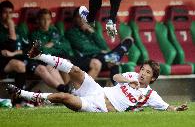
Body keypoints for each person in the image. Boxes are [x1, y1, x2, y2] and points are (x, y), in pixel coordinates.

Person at [7, 46, 188, 112]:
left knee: (64, 98)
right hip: (98, 91)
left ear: (153, 79)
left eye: (147, 73)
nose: (142, 73)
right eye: (143, 69)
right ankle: (39, 55)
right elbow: (116, 76)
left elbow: (167, 107)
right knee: (76, 70)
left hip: (99, 107)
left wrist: (177, 108)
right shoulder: (132, 76)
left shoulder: (150, 96)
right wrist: (126, 81)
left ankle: (21, 93)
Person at [66, 7, 129, 82]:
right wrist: (100, 51)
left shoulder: (91, 32)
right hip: (87, 59)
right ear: (74, 19)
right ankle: (119, 51)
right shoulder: (71, 33)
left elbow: (104, 46)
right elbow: (83, 47)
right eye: (79, 17)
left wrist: (92, 32)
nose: (82, 20)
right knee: (113, 60)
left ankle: (113, 87)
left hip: (101, 58)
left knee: (114, 61)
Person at [28, 8, 71, 93]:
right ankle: (65, 93)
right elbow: (41, 51)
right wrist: (56, 48)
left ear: (51, 20)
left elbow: (67, 47)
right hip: (44, 61)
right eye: (43, 19)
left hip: (56, 58)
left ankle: (66, 92)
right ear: (38, 20)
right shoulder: (34, 34)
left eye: (48, 19)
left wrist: (52, 44)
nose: (45, 22)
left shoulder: (55, 32)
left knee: (67, 63)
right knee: (53, 65)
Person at [0, 0, 26, 89]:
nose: (8, 16)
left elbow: (27, 47)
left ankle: (20, 99)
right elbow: (11, 46)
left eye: (10, 13)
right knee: (19, 65)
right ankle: (19, 100)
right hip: (2, 61)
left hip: (17, 58)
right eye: (5, 12)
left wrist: (15, 53)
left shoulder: (19, 29)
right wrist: (11, 26)